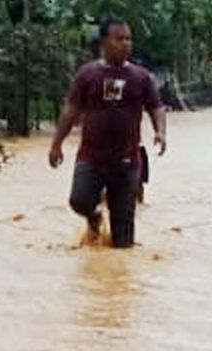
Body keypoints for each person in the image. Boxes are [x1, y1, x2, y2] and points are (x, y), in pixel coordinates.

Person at [49, 17, 167, 248]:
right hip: (91, 158)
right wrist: (56, 144)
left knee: (123, 244)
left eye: (128, 39)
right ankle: (94, 218)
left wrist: (160, 132)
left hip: (126, 162)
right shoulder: (87, 75)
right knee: (79, 201)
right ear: (104, 42)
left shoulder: (141, 77)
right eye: (119, 39)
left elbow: (156, 107)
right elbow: (71, 110)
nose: (126, 44)